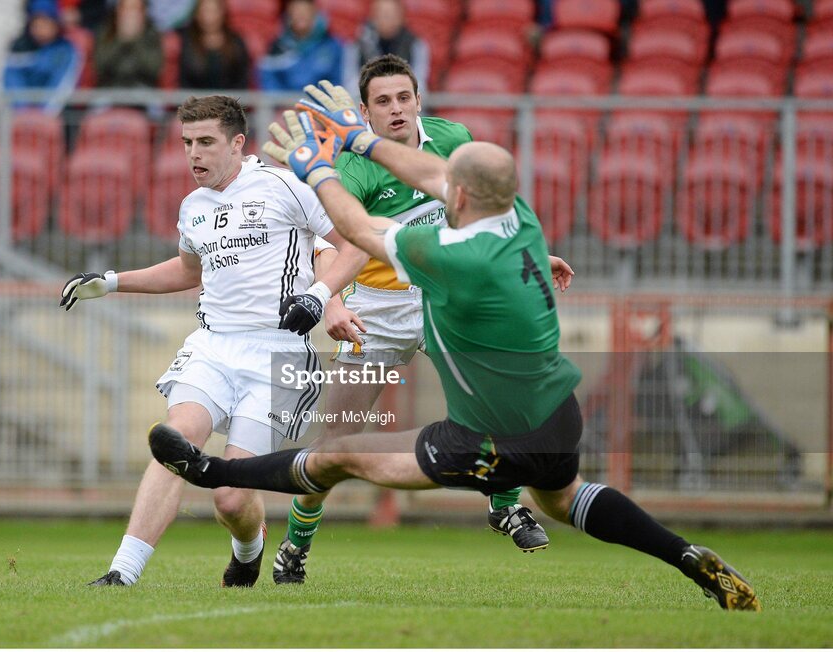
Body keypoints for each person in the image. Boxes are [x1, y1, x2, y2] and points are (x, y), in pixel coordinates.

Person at [148, 81, 762, 612]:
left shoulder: (446, 254)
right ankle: (684, 554)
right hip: (555, 413)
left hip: (484, 441)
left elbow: (357, 231)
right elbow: (430, 174)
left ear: (459, 197)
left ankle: (212, 471)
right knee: (566, 497)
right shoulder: (521, 220)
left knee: (340, 454)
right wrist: (357, 139)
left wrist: (317, 166)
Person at [269, 55, 554, 586]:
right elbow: (347, 242)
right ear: (364, 112)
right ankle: (295, 546)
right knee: (336, 441)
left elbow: (483, 211)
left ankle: (505, 506)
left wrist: (528, 256)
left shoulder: (453, 139)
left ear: (419, 100)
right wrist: (329, 299)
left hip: (444, 294)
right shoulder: (354, 168)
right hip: (375, 310)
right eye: (383, 101)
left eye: (404, 97)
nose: (396, 108)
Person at [60, 94, 359, 588]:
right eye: (186, 143)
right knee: (174, 441)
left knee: (231, 497)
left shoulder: (286, 186)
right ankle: (121, 573)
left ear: (238, 143)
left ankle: (249, 549)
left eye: (206, 142)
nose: (193, 154)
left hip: (277, 353)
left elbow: (352, 244)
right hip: (212, 346)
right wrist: (112, 282)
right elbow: (187, 271)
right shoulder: (193, 207)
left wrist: (322, 296)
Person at [3, 0, 81, 114]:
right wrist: (23, 113)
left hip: (56, 114)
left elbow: (62, 85)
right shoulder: (18, 48)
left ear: (55, 24)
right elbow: (11, 81)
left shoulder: (66, 50)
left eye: (46, 23)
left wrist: (44, 115)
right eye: (36, 24)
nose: (41, 29)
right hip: (21, 115)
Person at [343, 0, 429, 97]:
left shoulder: (415, 45)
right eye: (383, 14)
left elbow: (420, 84)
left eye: (392, 14)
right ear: (373, 17)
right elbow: (351, 82)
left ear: (402, 17)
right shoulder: (357, 45)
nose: (387, 19)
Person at [258, 0, 343, 92]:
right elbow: (269, 80)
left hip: (320, 100)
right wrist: (282, 99)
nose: (301, 15)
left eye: (305, 11)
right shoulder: (276, 46)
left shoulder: (332, 45)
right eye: (296, 11)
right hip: (284, 100)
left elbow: (336, 81)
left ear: (314, 13)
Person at [178, 0, 251, 90]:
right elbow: (185, 82)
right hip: (196, 98)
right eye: (204, 11)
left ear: (222, 12)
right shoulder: (187, 41)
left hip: (230, 98)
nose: (208, 17)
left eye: (213, 11)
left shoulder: (236, 42)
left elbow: (242, 81)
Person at [94, 0, 163, 89]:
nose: (130, 14)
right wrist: (121, 38)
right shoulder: (106, 31)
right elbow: (100, 67)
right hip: (110, 87)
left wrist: (136, 38)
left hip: (143, 87)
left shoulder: (152, 33)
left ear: (143, 12)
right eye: (126, 9)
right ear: (118, 11)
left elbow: (154, 70)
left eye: (135, 9)